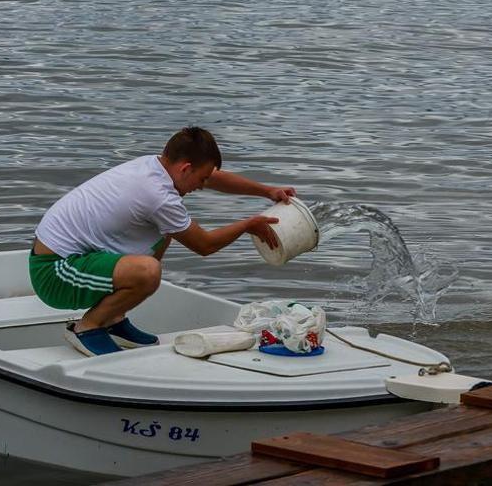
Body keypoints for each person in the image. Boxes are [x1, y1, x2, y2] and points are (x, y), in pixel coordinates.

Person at [29, 127, 294, 356]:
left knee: (165, 232)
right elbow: (205, 245)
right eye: (200, 179)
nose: (201, 186)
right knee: (148, 272)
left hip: (73, 255)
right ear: (186, 168)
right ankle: (88, 327)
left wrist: (266, 191)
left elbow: (214, 177)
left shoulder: (155, 165)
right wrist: (248, 225)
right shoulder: (158, 196)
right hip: (55, 273)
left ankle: (112, 317)